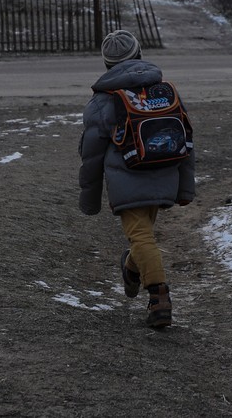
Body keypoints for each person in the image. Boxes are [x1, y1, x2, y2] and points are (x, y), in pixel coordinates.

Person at [78, 29, 196, 329]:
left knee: (142, 237)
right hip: (165, 174)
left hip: (127, 179)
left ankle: (159, 298)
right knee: (141, 239)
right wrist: (184, 188)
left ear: (107, 64)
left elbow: (91, 157)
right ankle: (131, 270)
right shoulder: (166, 91)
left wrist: (90, 201)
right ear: (140, 55)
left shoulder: (103, 102)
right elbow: (187, 140)